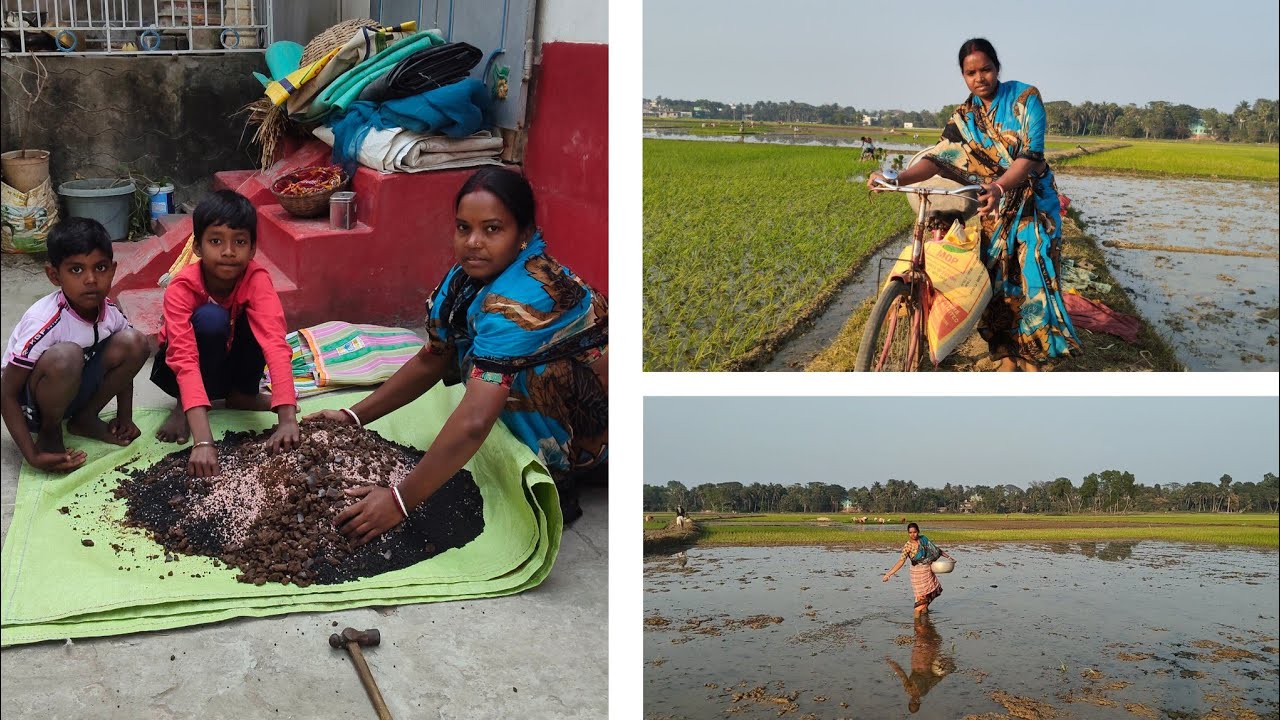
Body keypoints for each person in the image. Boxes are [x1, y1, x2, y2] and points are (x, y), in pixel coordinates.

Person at [307, 167, 608, 546]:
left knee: (514, 381)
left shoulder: (522, 300)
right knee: (480, 362)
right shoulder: (464, 279)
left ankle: (561, 481)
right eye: (464, 228)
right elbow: (433, 357)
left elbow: (474, 420)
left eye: (492, 229)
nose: (473, 242)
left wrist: (400, 501)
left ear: (524, 235)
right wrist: (352, 417)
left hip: (600, 422)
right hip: (576, 399)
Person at [868, 37, 1079, 371]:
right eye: (971, 73)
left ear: (997, 68)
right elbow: (938, 158)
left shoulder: (1026, 99)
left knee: (1033, 272)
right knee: (995, 280)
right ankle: (1007, 354)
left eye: (986, 69)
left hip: (1033, 201)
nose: (980, 78)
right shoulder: (965, 117)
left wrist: (998, 186)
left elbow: (1029, 156)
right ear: (963, 76)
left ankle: (1033, 358)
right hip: (992, 206)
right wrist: (896, 180)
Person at [151, 190, 300, 477]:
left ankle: (241, 395)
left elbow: (275, 343)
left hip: (229, 361)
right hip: (181, 368)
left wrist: (287, 418)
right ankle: (184, 405)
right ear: (196, 247)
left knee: (259, 322)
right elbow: (182, 358)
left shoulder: (257, 280)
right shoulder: (181, 287)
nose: (229, 251)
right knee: (210, 318)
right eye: (216, 241)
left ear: (253, 248)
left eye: (240, 242)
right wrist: (204, 441)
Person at [1, 218, 149, 472]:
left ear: (113, 270)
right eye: (76, 270)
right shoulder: (45, 320)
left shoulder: (110, 313)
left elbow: (130, 364)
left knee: (135, 342)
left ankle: (84, 419)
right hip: (33, 406)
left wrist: (125, 416)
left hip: (75, 390)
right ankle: (50, 430)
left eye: (100, 268)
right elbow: (5, 392)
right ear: (54, 275)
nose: (91, 279)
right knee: (66, 356)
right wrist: (32, 455)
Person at [884, 614, 953, 714]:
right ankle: (925, 614)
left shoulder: (910, 689)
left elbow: (901, 674)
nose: (915, 701)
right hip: (924, 660)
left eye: (913, 702)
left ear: (910, 701)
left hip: (920, 659)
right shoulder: (922, 691)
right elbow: (935, 679)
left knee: (923, 633)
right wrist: (946, 672)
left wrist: (892, 663)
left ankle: (924, 614)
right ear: (919, 703)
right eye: (916, 703)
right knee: (927, 634)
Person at [883, 522, 954, 617]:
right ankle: (917, 624)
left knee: (927, 597)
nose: (913, 534)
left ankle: (925, 621)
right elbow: (901, 561)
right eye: (910, 532)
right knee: (921, 600)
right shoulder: (907, 546)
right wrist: (889, 574)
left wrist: (949, 558)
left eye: (915, 532)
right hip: (917, 574)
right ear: (908, 533)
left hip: (928, 571)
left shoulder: (924, 540)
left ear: (918, 531)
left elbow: (936, 550)